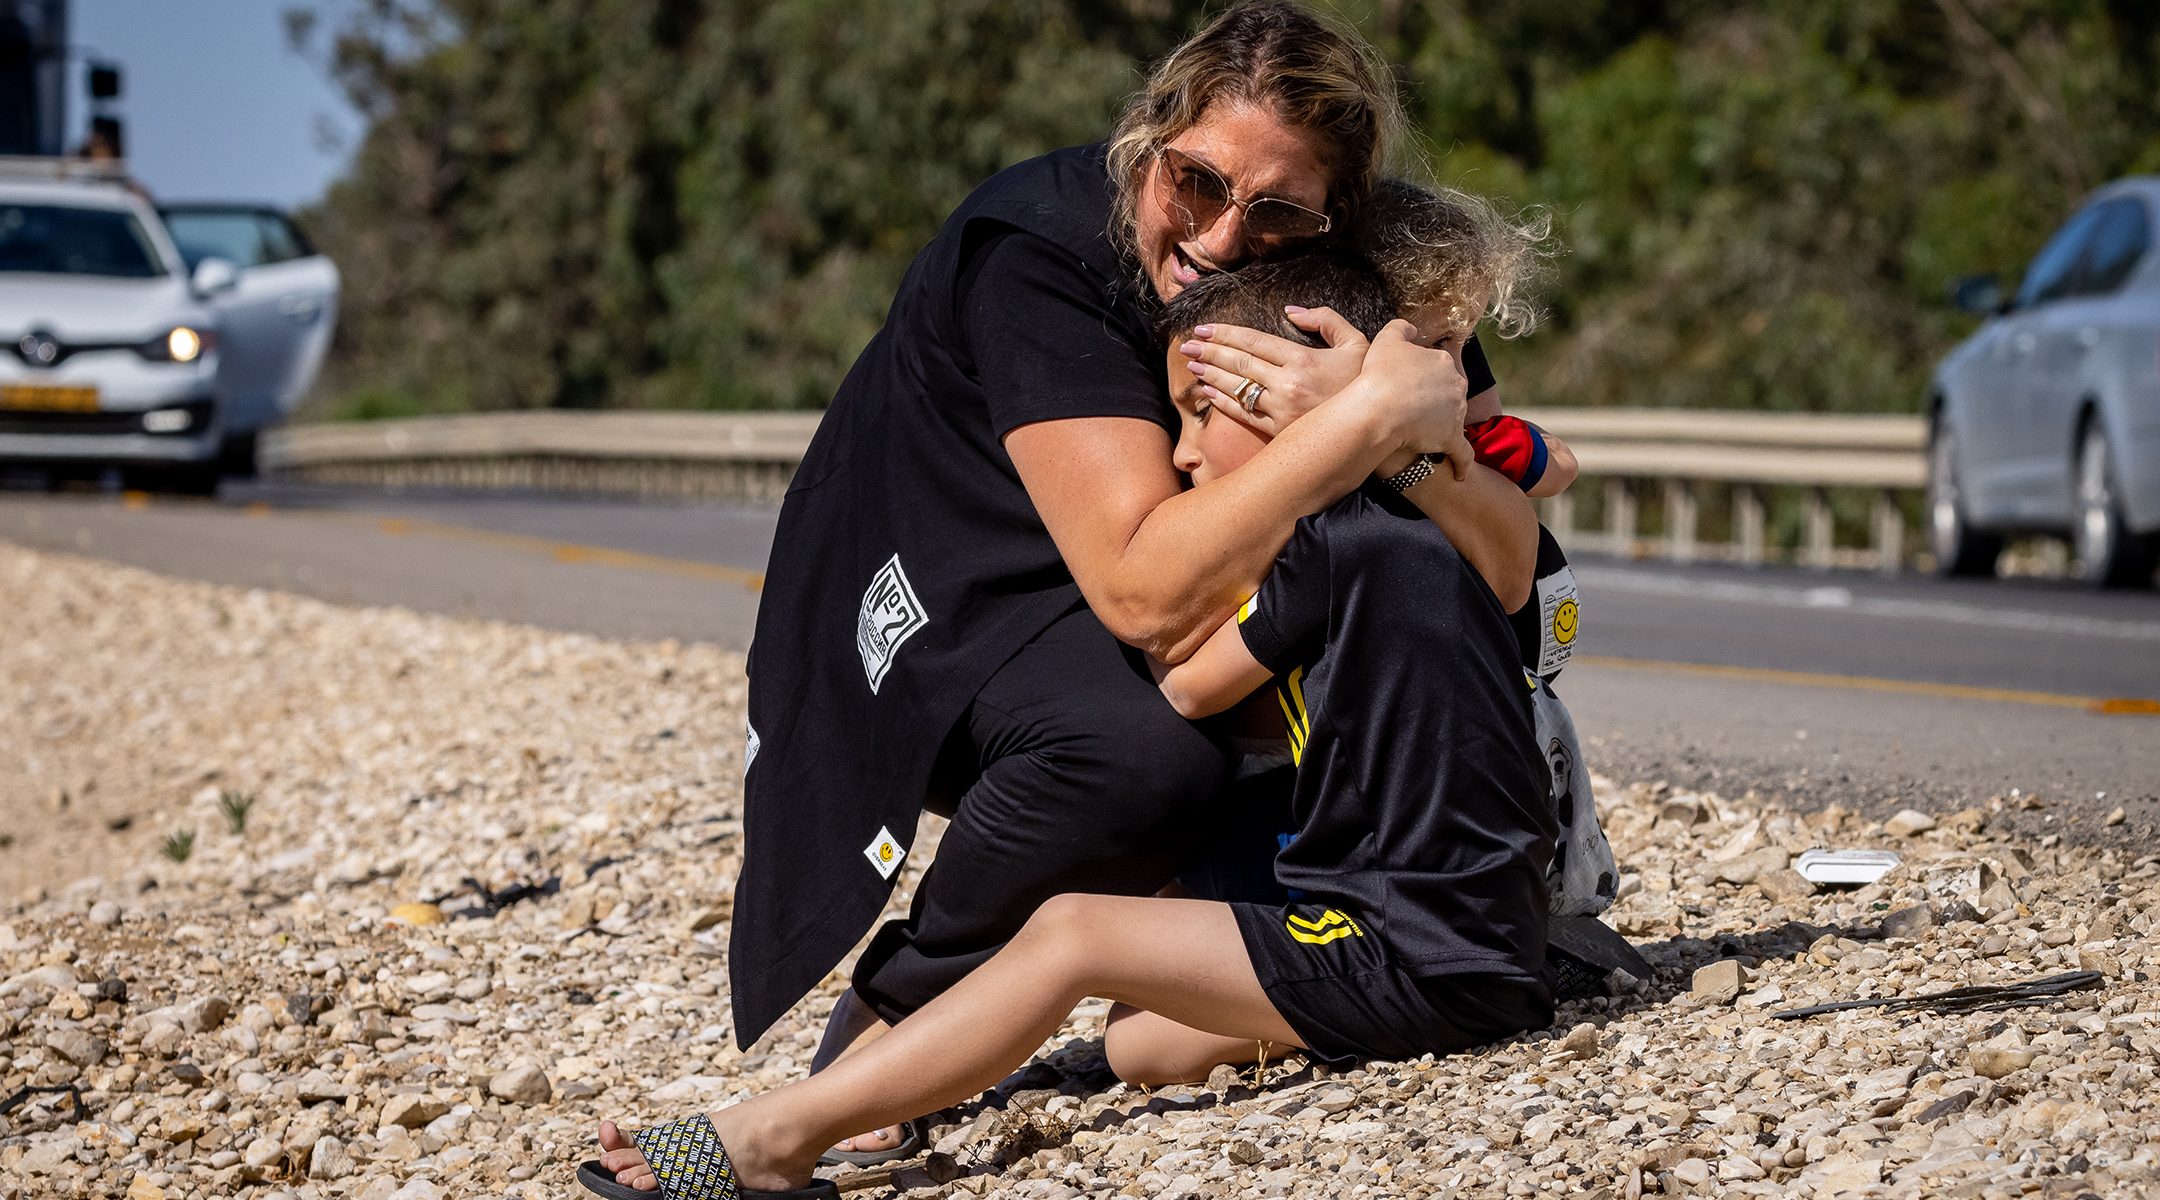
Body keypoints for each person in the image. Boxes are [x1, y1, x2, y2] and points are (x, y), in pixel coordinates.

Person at [728, 0, 1544, 1164]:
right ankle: (897, 1021)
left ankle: (1230, 912)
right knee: (1135, 756)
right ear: (1144, 141)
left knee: (1140, 997)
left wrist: (1406, 440)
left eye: (1274, 212)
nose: (1219, 238)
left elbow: (1509, 563)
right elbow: (1145, 598)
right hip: (956, 594)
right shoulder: (1039, 249)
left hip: (1246, 639)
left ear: (1335, 217)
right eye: (1196, 183)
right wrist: (1357, 419)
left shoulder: (1352, 288)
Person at [581, 249, 1557, 1200]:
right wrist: (1369, 426)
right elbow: (1505, 566)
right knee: (1135, 1047)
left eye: (1198, 412)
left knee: (1073, 933)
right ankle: (1390, 1006)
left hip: (1414, 947)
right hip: (1472, 936)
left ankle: (779, 1136)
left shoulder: (1337, 549)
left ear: (1276, 403)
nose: (1177, 452)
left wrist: (1340, 423)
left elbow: (1181, 688)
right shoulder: (1410, 527)